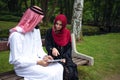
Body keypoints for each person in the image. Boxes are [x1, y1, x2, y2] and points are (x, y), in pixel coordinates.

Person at [8, 6, 63, 80]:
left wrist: (45, 57)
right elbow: (17, 60)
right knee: (50, 73)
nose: (41, 22)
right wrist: (38, 62)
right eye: (40, 19)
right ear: (33, 18)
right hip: (24, 67)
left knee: (59, 67)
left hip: (37, 62)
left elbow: (39, 49)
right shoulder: (16, 35)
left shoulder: (36, 31)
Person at [45, 14, 79, 80]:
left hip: (65, 57)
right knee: (63, 70)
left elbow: (69, 48)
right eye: (56, 23)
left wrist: (65, 57)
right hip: (54, 57)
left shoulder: (66, 33)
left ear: (63, 25)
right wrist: (52, 49)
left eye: (60, 25)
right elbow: (47, 44)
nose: (57, 26)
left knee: (72, 67)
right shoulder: (49, 32)